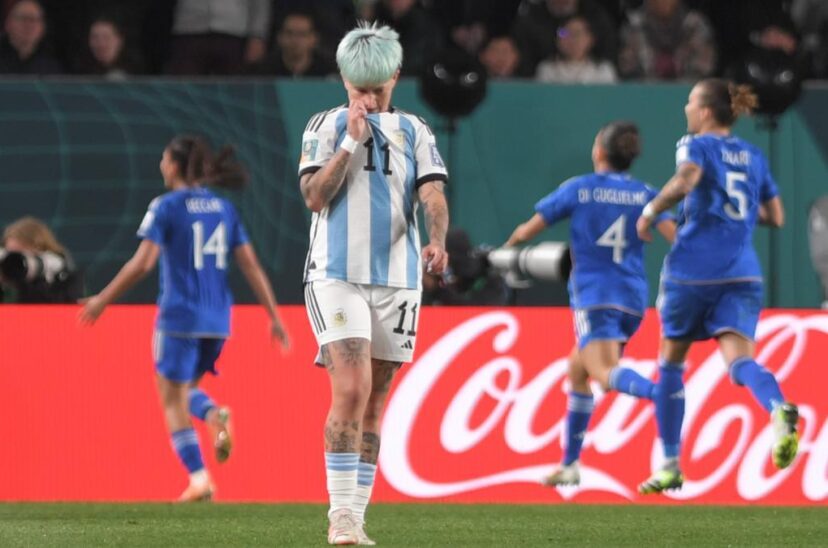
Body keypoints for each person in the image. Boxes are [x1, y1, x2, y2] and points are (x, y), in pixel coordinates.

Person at [298, 22, 449, 545]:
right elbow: (316, 197)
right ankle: (339, 516)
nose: (368, 98)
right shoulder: (324, 125)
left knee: (376, 398)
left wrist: (437, 239)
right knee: (351, 386)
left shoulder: (416, 130)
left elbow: (432, 193)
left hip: (399, 279)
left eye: (378, 89)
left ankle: (356, 520)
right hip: (335, 274)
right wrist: (348, 142)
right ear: (344, 80)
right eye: (360, 88)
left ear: (396, 79)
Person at [79, 135, 290, 502]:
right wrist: (273, 315)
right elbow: (250, 265)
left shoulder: (166, 206)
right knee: (184, 391)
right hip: (218, 318)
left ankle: (200, 476)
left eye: (163, 158)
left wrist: (103, 299)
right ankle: (211, 417)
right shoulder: (223, 208)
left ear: (174, 166)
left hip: (178, 316)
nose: (161, 164)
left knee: (170, 399)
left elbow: (142, 263)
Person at [635, 79, 799, 494]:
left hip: (692, 270)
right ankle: (777, 407)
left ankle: (670, 463)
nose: (686, 108)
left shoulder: (696, 144)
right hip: (742, 271)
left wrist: (652, 209)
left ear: (706, 111)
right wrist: (734, 215)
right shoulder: (755, 154)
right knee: (739, 362)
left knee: (671, 361)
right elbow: (775, 215)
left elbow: (687, 178)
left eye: (691, 101)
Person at [504, 121, 676, 487]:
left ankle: (660, 393)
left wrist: (507, 249)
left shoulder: (580, 189)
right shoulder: (647, 194)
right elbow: (674, 236)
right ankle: (570, 464)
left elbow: (529, 229)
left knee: (602, 372)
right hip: (632, 299)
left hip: (594, 295)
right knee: (578, 371)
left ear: (598, 151)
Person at [617, 0, 716, 81]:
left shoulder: (695, 25)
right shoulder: (634, 26)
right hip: (644, 95)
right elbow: (627, 69)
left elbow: (704, 68)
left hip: (687, 94)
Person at [0, 216, 82, 303]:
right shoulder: (9, 283)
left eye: (19, 256)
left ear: (39, 249)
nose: (12, 263)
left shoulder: (67, 279)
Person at [535, 16, 617, 84]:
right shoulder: (547, 70)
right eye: (565, 33)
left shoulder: (602, 70)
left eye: (577, 33)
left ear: (590, 39)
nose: (571, 39)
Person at [0, 0, 62, 75]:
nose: (28, 25)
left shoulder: (52, 67)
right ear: (8, 24)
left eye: (34, 19)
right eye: (23, 18)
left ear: (43, 28)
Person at [76, 16, 143, 79]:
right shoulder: (78, 73)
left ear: (119, 41)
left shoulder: (138, 73)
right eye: (95, 38)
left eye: (106, 37)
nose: (101, 44)